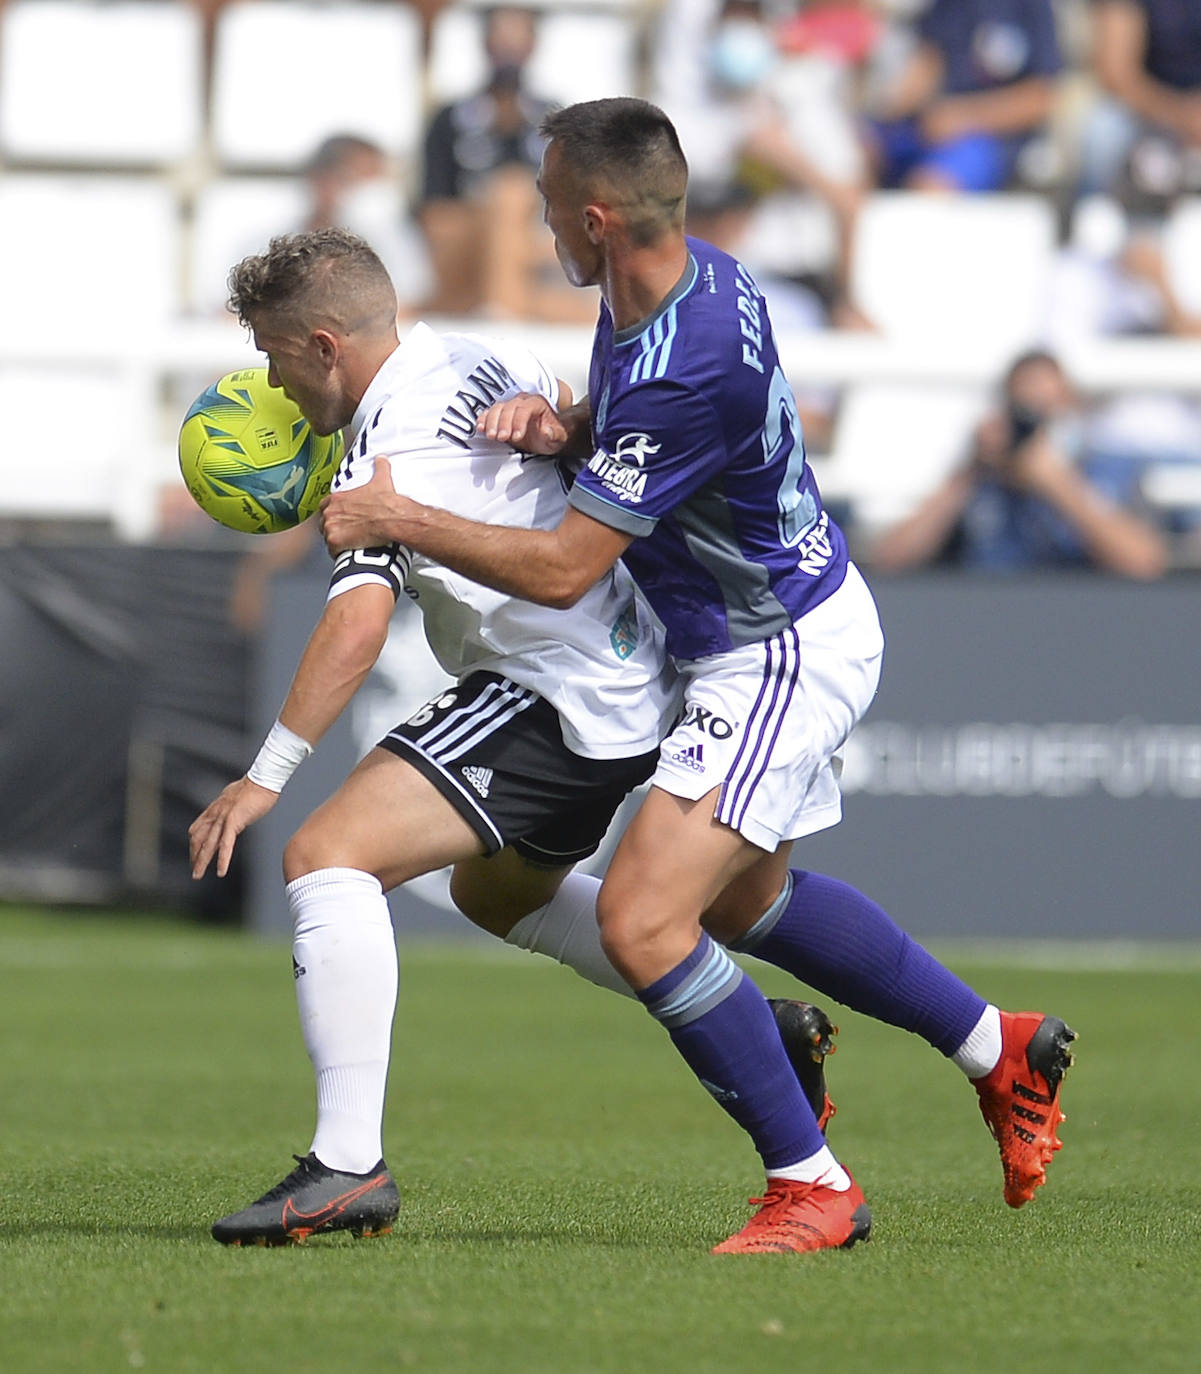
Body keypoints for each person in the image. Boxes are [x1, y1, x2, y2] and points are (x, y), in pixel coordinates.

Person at [320, 97, 1077, 1255]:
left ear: (593, 216)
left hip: (770, 646)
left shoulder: (687, 352)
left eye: (544, 200)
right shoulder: (677, 279)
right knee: (740, 901)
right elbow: (640, 435)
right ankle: (997, 1047)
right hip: (754, 630)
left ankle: (812, 1187)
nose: (533, 218)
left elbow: (572, 568)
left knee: (640, 917)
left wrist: (398, 513)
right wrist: (563, 424)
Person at [188, 227, 838, 1247]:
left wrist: (265, 776)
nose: (268, 382)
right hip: (619, 668)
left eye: (270, 357)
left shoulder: (381, 450)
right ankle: (747, 1023)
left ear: (321, 345)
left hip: (562, 687)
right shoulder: (469, 355)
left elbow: (357, 623)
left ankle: (346, 1168)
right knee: (498, 894)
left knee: (327, 856)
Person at [869, 348, 1169, 578]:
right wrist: (970, 471)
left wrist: (1058, 483)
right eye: (1025, 412)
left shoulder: (1106, 468)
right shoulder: (979, 478)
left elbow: (1145, 564)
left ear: (1071, 406)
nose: (1035, 426)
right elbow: (891, 560)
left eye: (1047, 409)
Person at [418, 5, 592, 322]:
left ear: (533, 45)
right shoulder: (450, 118)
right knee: (508, 194)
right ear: (484, 43)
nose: (508, 49)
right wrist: (495, 223)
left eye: (518, 39)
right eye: (501, 38)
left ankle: (502, 307)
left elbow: (577, 217)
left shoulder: (557, 120)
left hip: (539, 251)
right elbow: (434, 218)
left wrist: (513, 244)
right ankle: (505, 311)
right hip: (466, 251)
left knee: (584, 312)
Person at [863, 0, 1063, 191]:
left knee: (930, 186)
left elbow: (1040, 99)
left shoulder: (1032, 6)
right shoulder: (948, 5)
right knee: (856, 157)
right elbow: (928, 63)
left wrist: (962, 118)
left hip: (994, 140)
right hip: (928, 127)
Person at [1081, 0, 1201, 197]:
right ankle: (1096, 211)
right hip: (1147, 111)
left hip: (1193, 112)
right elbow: (1116, 73)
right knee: (1104, 131)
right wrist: (1184, 118)